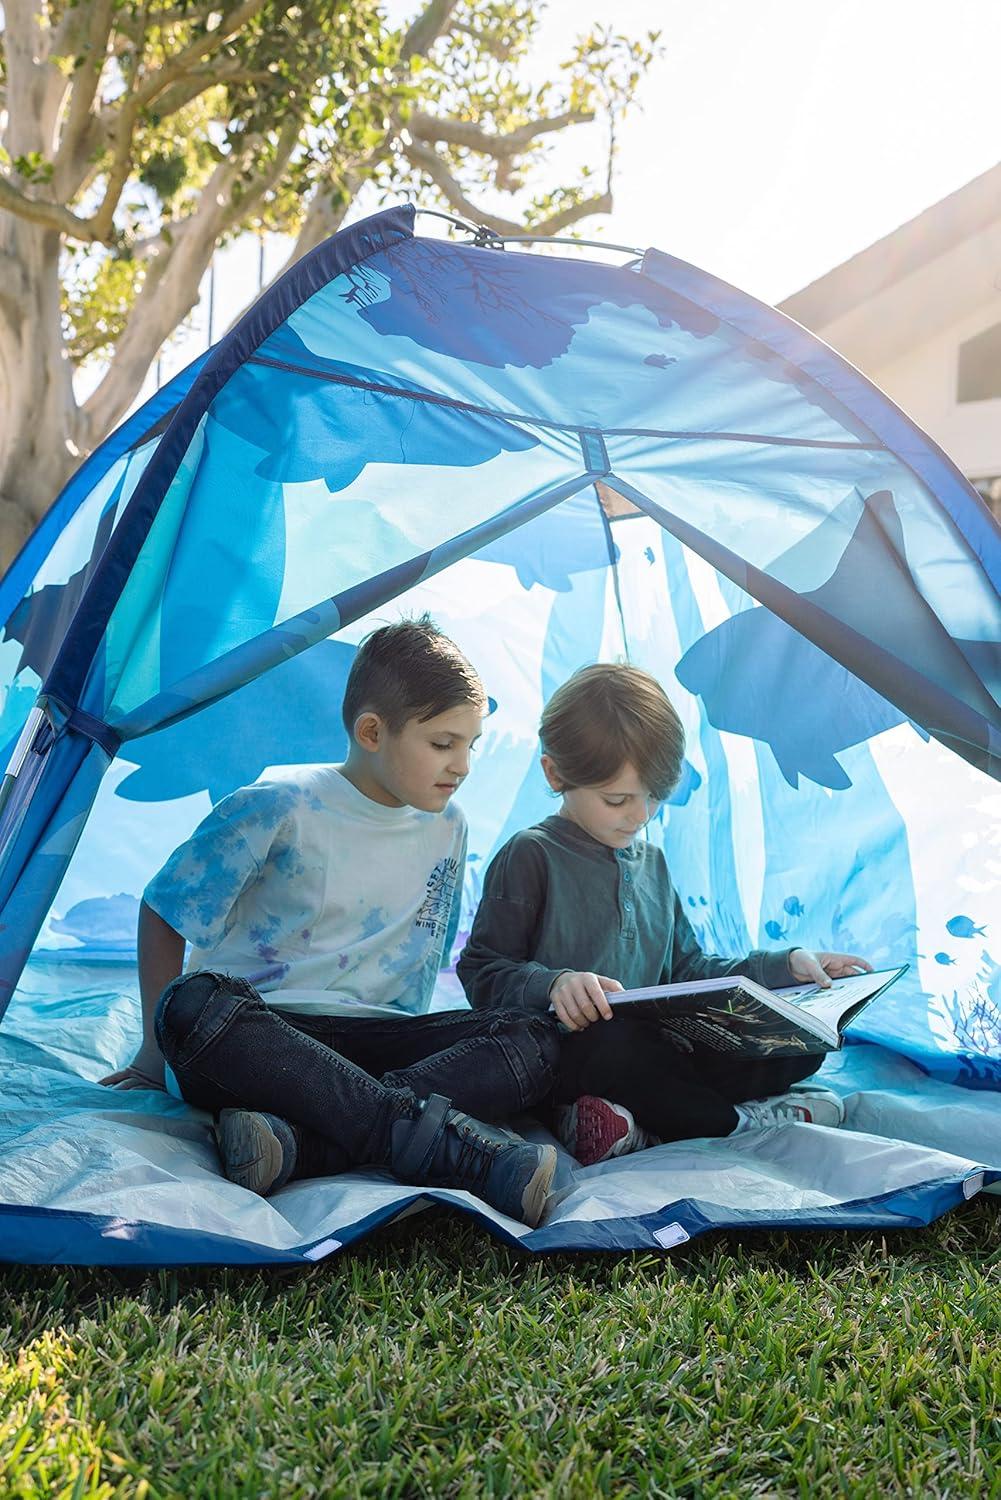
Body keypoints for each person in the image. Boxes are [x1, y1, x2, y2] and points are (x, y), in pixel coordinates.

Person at [100, 617, 560, 1227]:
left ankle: (305, 1141)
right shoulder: (278, 805)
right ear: (372, 731)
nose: (464, 765)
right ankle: (439, 1144)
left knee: (535, 1035)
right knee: (193, 1005)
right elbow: (164, 910)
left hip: (377, 1049)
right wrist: (150, 1055)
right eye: (443, 743)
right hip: (265, 1041)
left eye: (472, 744)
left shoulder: (450, 826)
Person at [457, 663, 872, 1168]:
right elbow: (482, 970)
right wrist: (554, 985)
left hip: (659, 1052)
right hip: (570, 1057)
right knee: (614, 1044)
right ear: (555, 774)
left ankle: (630, 1126)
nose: (640, 815)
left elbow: (690, 971)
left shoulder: (651, 862)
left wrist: (785, 970)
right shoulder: (530, 855)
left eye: (653, 797)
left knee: (802, 1042)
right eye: (618, 799)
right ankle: (733, 1125)